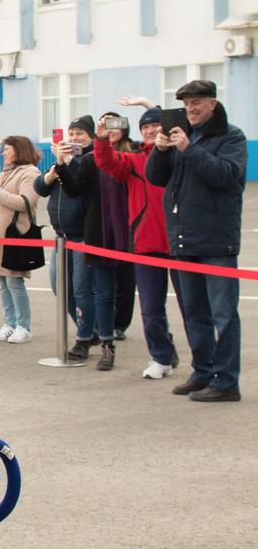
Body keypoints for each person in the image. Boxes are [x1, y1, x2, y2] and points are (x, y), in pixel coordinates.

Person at [146, 79, 248, 402]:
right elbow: (155, 178)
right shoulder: (182, 137)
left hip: (217, 241)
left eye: (197, 103)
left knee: (223, 315)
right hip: (184, 239)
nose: (190, 109)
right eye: (186, 104)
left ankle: (226, 382)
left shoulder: (231, 136)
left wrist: (189, 150)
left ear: (212, 104)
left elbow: (225, 176)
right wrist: (161, 150)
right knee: (194, 313)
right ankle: (202, 372)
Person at [93, 103, 181, 378]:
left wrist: (148, 104)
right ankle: (161, 358)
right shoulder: (134, 159)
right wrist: (101, 139)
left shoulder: (182, 154)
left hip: (182, 243)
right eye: (146, 127)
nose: (151, 130)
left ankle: (204, 367)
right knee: (151, 309)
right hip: (146, 243)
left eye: (156, 125)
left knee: (193, 309)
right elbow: (107, 162)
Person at [57, 113, 138, 371]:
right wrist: (61, 164)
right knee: (103, 293)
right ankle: (106, 346)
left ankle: (163, 347)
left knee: (136, 291)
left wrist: (147, 106)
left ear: (125, 128)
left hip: (131, 235)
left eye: (115, 124)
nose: (109, 129)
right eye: (104, 125)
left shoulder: (135, 156)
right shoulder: (92, 160)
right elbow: (74, 190)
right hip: (100, 234)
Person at [36, 117, 96, 359]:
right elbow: (40, 188)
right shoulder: (61, 160)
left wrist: (68, 163)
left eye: (80, 133)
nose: (74, 138)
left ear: (91, 136)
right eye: (71, 133)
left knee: (82, 288)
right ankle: (89, 328)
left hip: (83, 235)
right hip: (61, 236)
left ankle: (84, 338)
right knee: (58, 286)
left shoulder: (90, 159)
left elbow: (80, 185)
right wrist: (52, 173)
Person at [0, 136, 42, 343]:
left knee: (14, 281)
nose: (4, 153)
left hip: (15, 235)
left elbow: (24, 202)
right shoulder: (6, 172)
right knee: (2, 282)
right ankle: (9, 323)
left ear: (19, 150)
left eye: (7, 149)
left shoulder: (30, 172)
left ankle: (23, 326)